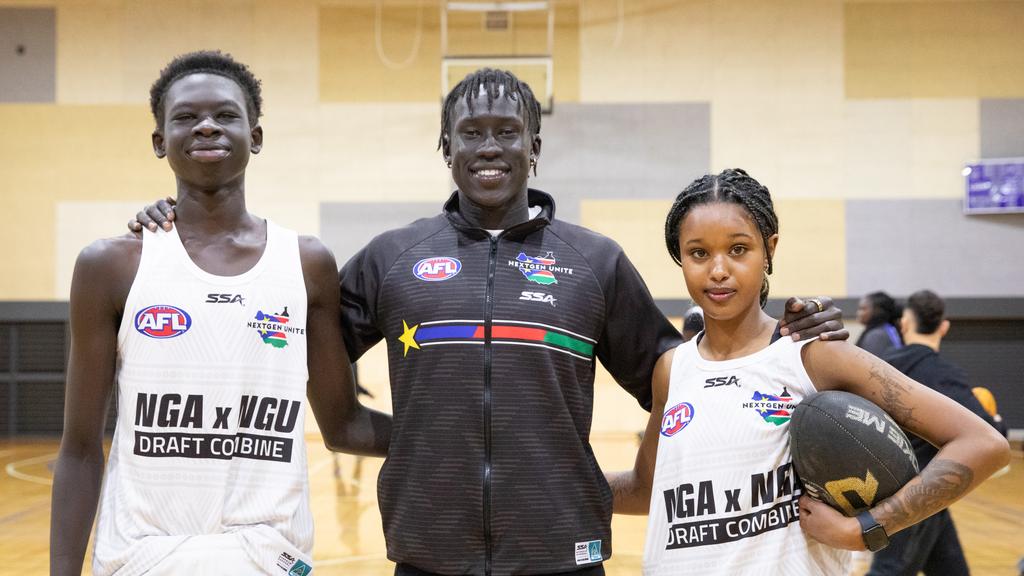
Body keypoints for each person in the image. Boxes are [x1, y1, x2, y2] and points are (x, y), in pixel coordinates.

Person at [128, 69, 849, 576]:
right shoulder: (391, 258)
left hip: (564, 548)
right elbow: (283, 341)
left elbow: (684, 373)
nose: (491, 146)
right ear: (448, 149)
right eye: (471, 132)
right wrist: (182, 223)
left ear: (535, 145)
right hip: (426, 550)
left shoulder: (594, 261)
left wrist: (777, 342)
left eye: (509, 131)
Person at [50, 51, 391, 576]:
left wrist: (469, 434)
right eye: (185, 117)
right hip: (140, 556)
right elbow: (78, 449)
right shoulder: (110, 265)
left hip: (269, 557)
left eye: (226, 115)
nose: (207, 125)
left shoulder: (306, 263)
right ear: (160, 142)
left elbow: (343, 425)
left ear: (255, 136)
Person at [607, 169, 1010, 576]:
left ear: (770, 250)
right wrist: (548, 478)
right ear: (679, 256)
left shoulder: (813, 357)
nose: (718, 269)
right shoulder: (671, 370)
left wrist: (866, 530)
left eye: (739, 249)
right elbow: (646, 490)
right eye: (698, 253)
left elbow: (982, 443)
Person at [867, 289, 1002, 576]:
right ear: (944, 326)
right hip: (915, 494)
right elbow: (990, 435)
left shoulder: (878, 368)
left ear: (904, 323)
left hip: (895, 488)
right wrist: (996, 418)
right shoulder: (943, 375)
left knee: (952, 569)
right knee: (889, 570)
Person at [856, 291, 903, 357]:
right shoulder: (887, 329)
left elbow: (871, 364)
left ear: (877, 310)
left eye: (863, 309)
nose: (859, 313)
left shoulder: (877, 335)